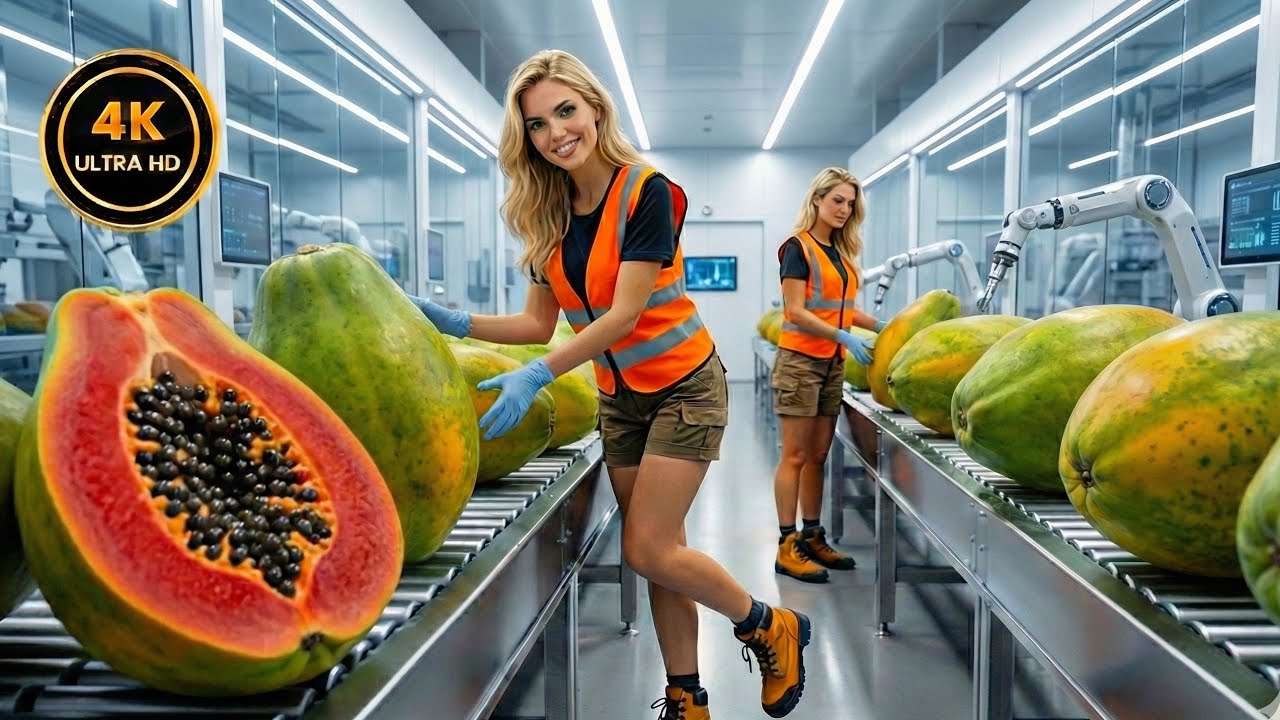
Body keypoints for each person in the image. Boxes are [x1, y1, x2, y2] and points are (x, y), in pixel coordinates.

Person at [407, 49, 812, 720]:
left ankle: (768, 624)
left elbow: (624, 313)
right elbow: (540, 324)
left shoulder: (647, 191)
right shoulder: (547, 212)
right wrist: (455, 322)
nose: (556, 132)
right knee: (660, 552)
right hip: (620, 400)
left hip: (685, 386)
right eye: (537, 124)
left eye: (566, 111)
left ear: (595, 108)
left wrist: (537, 377)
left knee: (648, 546)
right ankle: (687, 697)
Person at [769, 167, 882, 584]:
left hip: (832, 363)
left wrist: (881, 327)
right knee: (795, 456)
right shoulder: (798, 248)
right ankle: (787, 544)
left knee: (818, 456)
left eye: (850, 204)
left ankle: (813, 535)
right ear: (817, 199)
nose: (844, 209)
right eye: (837, 200)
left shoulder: (841, 252)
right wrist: (842, 335)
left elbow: (843, 308)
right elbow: (795, 311)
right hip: (800, 363)